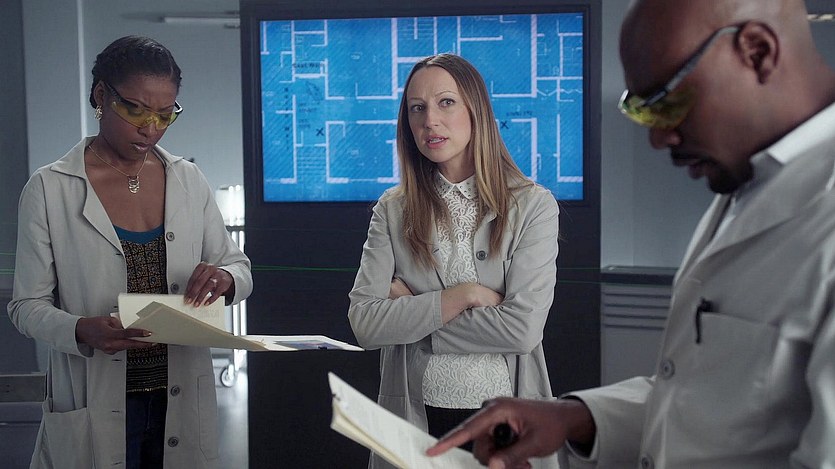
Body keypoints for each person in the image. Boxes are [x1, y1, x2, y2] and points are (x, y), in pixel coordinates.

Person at [427, 0, 835, 467]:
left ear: (758, 52)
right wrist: (575, 417)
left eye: (667, 101)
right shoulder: (752, 183)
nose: (659, 138)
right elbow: (712, 397)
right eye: (641, 111)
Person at [7, 36, 252, 469]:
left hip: (180, 400)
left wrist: (226, 279)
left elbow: (238, 266)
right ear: (101, 95)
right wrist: (80, 329)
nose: (150, 129)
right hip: (95, 399)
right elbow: (26, 306)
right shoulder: (49, 188)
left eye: (165, 114)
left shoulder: (188, 180)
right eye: (136, 110)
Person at [348, 53, 560, 468]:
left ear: (475, 109)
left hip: (504, 427)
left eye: (446, 102)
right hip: (417, 422)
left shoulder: (533, 205)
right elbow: (365, 323)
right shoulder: (392, 210)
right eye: (417, 108)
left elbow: (522, 330)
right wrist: (463, 296)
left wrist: (416, 317)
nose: (430, 120)